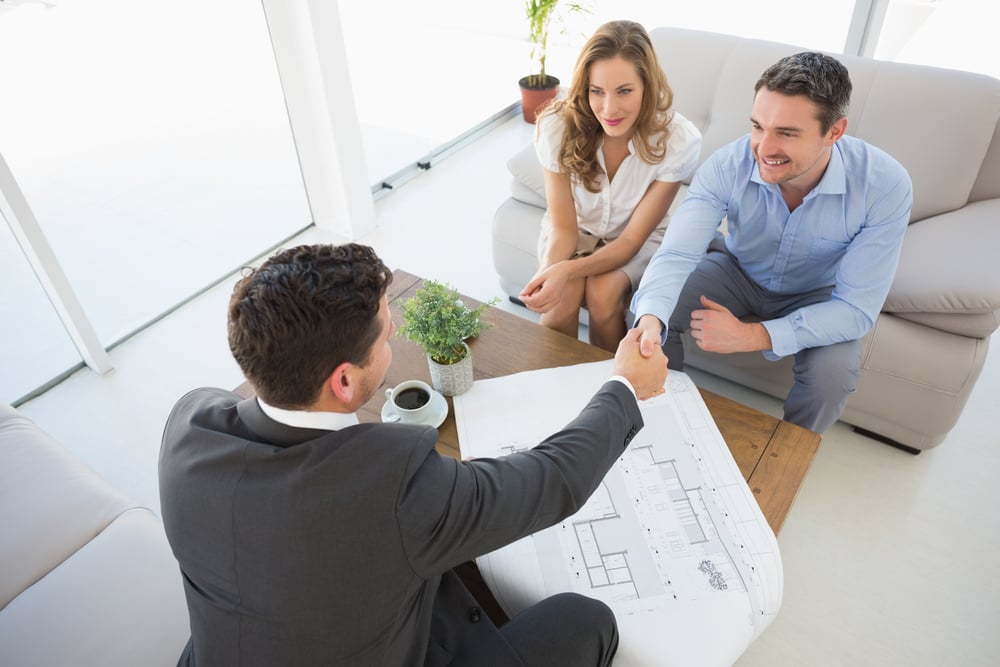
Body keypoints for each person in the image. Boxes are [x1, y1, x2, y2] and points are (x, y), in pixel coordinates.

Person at [159, 243, 668, 666]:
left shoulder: (188, 427)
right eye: (386, 333)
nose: (395, 335)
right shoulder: (393, 487)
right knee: (586, 622)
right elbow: (556, 479)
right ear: (342, 379)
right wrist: (625, 385)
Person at [631, 51, 913, 433]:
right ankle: (664, 423)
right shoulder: (726, 165)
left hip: (818, 292)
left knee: (832, 375)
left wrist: (752, 335)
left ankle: (788, 453)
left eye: (786, 133)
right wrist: (651, 320)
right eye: (758, 126)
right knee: (650, 317)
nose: (763, 148)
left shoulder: (885, 186)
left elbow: (855, 309)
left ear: (834, 131)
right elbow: (677, 253)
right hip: (738, 271)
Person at [518, 20, 702, 352]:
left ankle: (610, 387)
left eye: (625, 91)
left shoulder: (678, 139)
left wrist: (567, 270)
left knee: (602, 295)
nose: (609, 109)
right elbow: (563, 226)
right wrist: (550, 275)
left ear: (647, 85)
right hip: (575, 229)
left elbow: (632, 239)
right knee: (563, 296)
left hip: (637, 238)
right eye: (597, 91)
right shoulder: (557, 126)